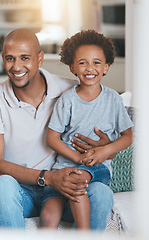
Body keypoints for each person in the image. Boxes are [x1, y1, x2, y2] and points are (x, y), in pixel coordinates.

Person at [0, 28, 115, 230]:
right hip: (21, 190)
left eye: (25, 58)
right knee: (2, 185)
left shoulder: (71, 91)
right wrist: (47, 178)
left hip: (64, 190)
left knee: (101, 193)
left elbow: (105, 137)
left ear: (40, 59)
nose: (16, 66)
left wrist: (106, 147)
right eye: (10, 59)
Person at [40, 30, 133, 229]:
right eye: (83, 62)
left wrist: (106, 150)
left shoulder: (113, 99)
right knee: (48, 215)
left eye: (96, 62)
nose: (90, 68)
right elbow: (52, 138)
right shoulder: (67, 99)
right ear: (73, 67)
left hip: (96, 168)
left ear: (106, 67)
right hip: (63, 168)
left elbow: (127, 136)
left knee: (78, 183)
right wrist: (77, 158)